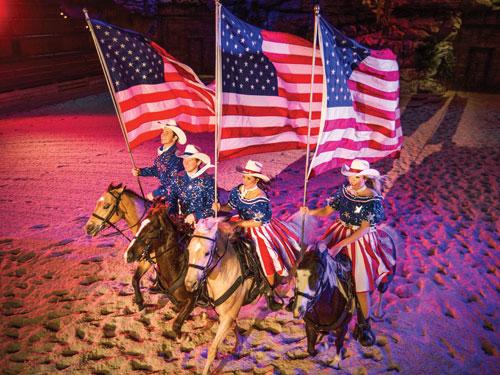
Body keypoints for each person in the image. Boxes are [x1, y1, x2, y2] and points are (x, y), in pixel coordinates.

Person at [301, 159, 395, 346]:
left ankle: (364, 324)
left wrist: (340, 245)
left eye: (357, 176)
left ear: (365, 177)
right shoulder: (344, 191)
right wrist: (310, 212)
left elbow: (363, 229)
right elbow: (328, 210)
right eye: (351, 176)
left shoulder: (372, 199)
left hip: (359, 239)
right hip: (339, 229)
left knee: (360, 283)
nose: (352, 180)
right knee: (316, 258)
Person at [213, 160, 300, 311]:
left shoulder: (261, 198)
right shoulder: (238, 190)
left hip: (258, 228)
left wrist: (237, 224)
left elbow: (258, 222)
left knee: (265, 255)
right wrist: (220, 206)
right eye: (244, 176)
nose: (244, 180)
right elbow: (231, 206)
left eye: (249, 178)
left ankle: (269, 292)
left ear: (256, 179)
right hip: (239, 221)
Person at [132, 120, 186, 201]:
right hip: (166, 193)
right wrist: (140, 171)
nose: (163, 135)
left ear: (175, 138)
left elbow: (174, 184)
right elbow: (157, 170)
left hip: (176, 199)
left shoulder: (176, 158)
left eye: (167, 133)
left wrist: (155, 193)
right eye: (163, 132)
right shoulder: (164, 153)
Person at [166, 144, 215, 225]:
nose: (186, 163)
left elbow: (213, 207)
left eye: (190, 160)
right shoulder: (177, 178)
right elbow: (171, 198)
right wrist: (172, 213)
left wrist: (196, 215)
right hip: (181, 221)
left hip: (202, 224)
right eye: (184, 159)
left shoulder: (208, 181)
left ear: (198, 162)